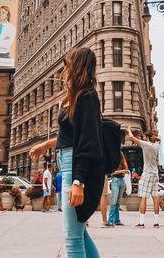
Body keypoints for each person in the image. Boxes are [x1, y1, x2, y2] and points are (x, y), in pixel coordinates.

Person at [30, 47, 105, 258]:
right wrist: (46, 145)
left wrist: (78, 182)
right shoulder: (71, 97)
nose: (64, 70)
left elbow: (87, 142)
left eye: (68, 64)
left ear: (78, 66)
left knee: (72, 238)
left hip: (76, 167)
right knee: (80, 234)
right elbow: (71, 134)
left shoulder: (87, 97)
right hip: (68, 163)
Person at [127, 127, 161, 228]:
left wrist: (129, 129)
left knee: (144, 197)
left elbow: (131, 137)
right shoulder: (156, 145)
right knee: (155, 197)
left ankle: (141, 222)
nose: (144, 138)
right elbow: (159, 140)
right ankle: (156, 222)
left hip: (147, 173)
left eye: (145, 137)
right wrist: (156, 138)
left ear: (147, 137)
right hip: (155, 174)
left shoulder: (146, 145)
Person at [107, 154, 129, 226]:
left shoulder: (122, 161)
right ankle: (110, 220)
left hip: (122, 181)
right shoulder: (113, 161)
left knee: (118, 202)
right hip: (115, 181)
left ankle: (117, 220)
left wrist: (125, 183)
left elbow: (125, 172)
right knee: (114, 201)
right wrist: (123, 171)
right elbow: (112, 172)